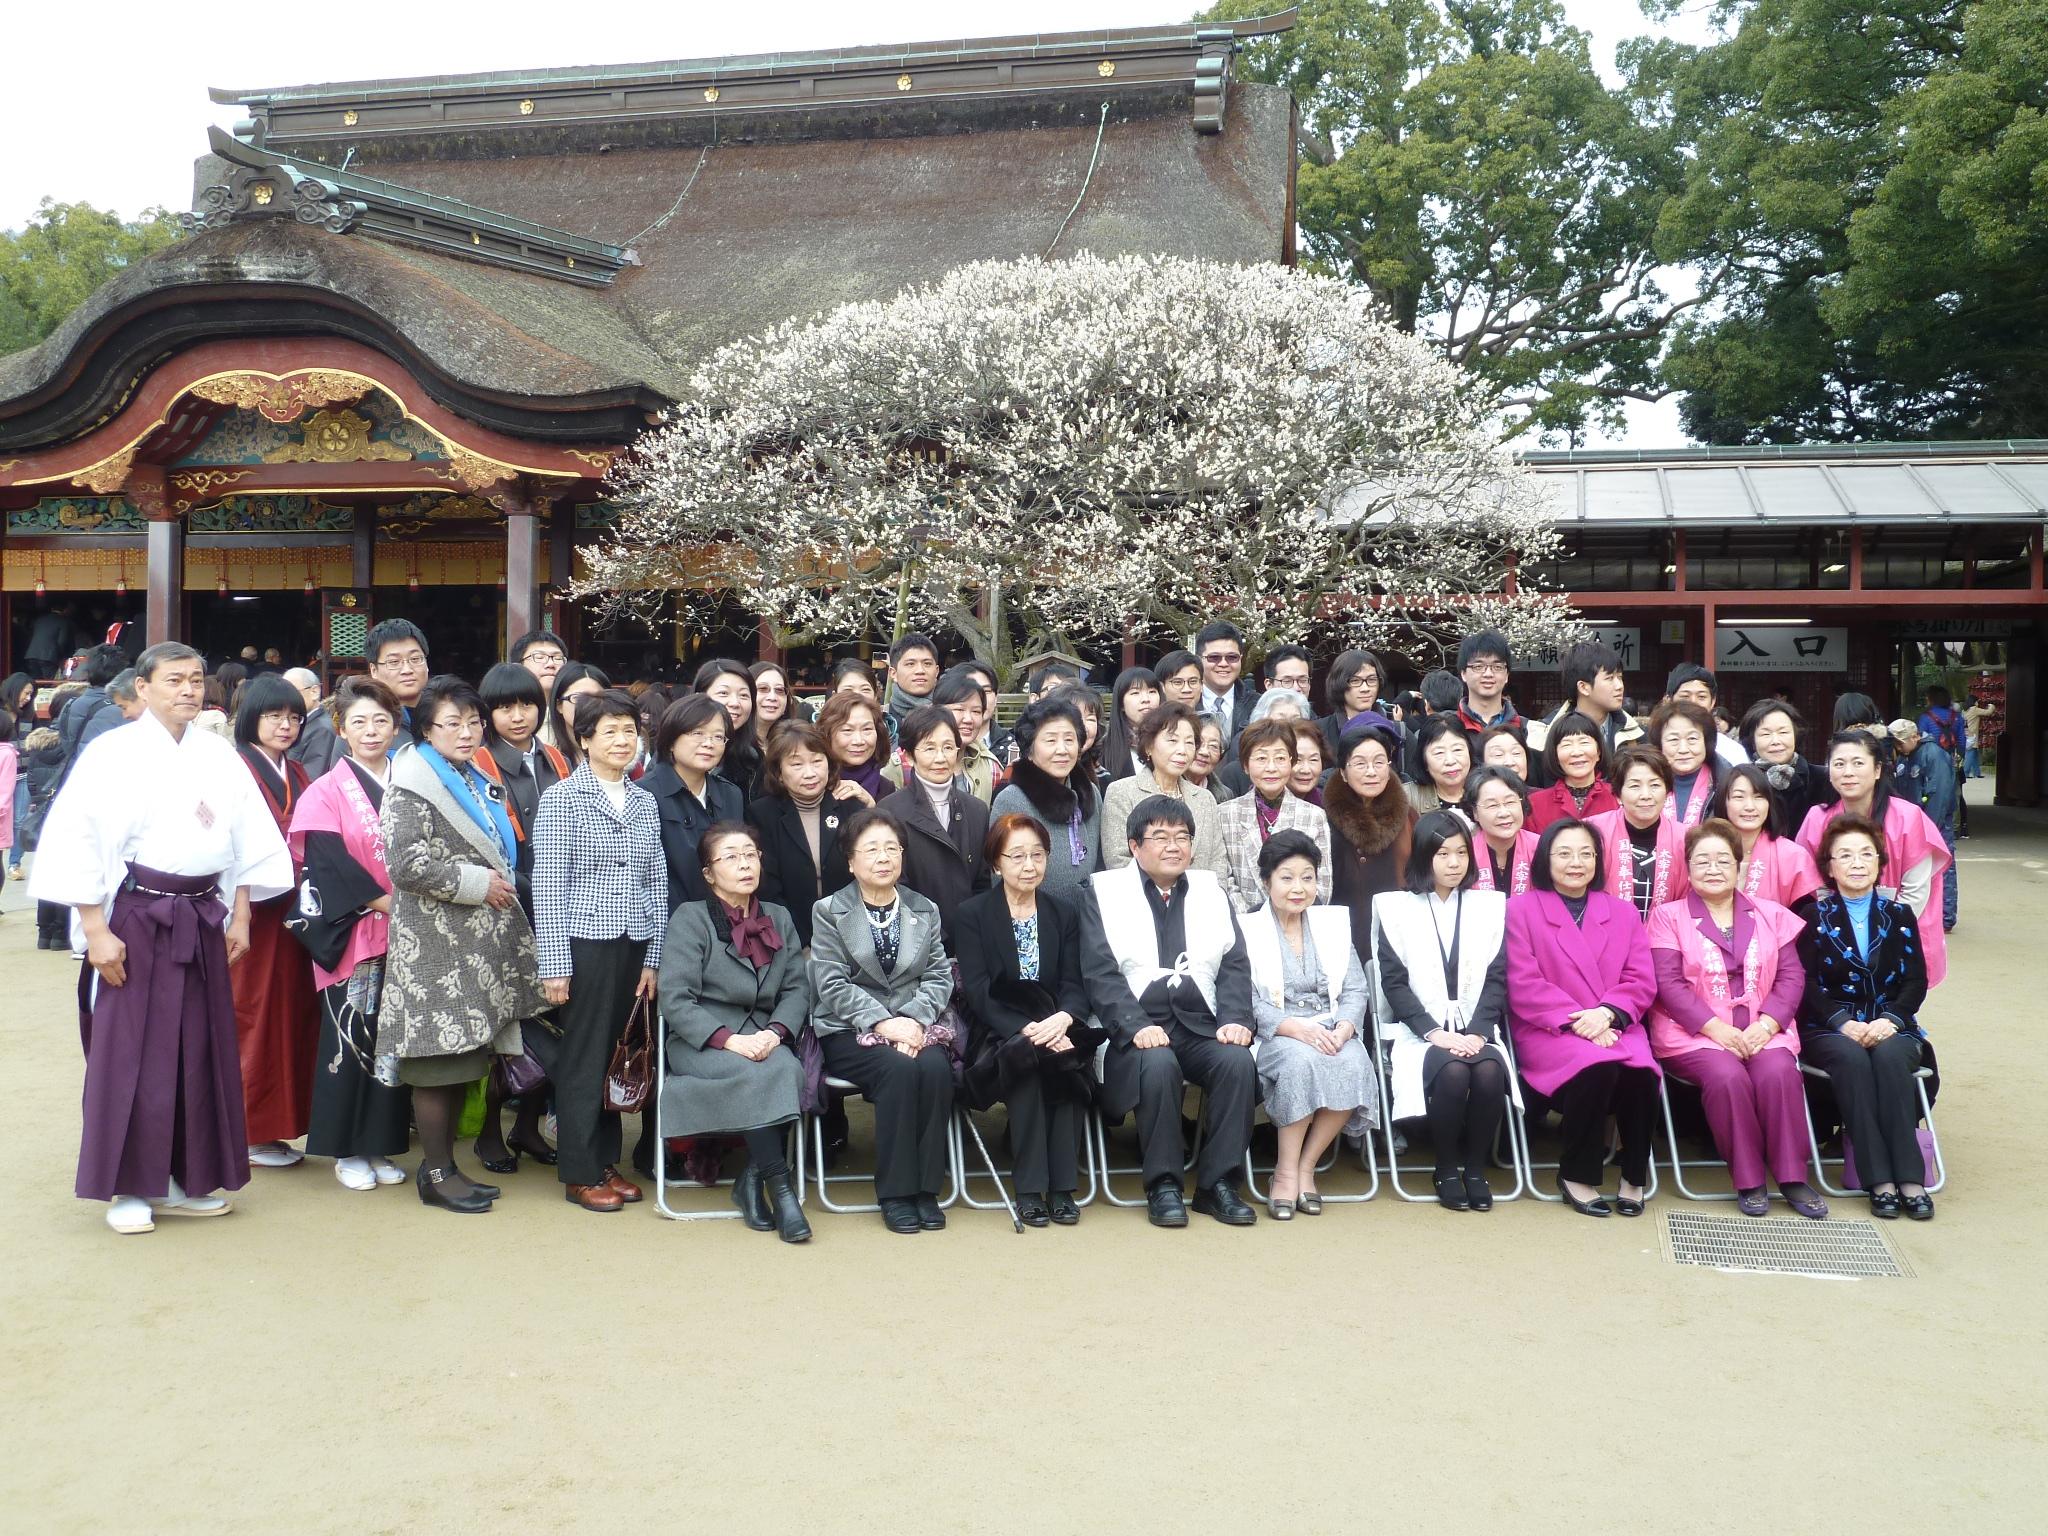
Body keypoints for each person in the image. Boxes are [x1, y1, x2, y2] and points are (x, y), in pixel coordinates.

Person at [31, 642, 294, 1234]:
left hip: (203, 914)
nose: (189, 690)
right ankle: (130, 1186)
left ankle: (185, 1177)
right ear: (142, 688)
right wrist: (95, 930)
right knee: (131, 1055)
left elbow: (248, 838)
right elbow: (78, 838)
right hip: (136, 917)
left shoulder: (218, 754)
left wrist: (243, 915)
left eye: (197, 679)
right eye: (174, 679)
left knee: (198, 1051)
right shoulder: (112, 753)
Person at [380, 675, 545, 1214]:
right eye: (453, 723)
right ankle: (434, 1172)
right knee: (436, 1061)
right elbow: (404, 863)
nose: (467, 731)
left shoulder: (464, 773)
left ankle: (447, 1170)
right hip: (434, 942)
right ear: (427, 728)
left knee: (462, 1060)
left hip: (470, 944)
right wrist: (478, 884)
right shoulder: (412, 779)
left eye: (473, 721)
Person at [1079, 795, 1260, 1228]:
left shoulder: (1210, 891)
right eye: (1159, 837)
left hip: (1199, 1022)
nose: (1173, 846)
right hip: (1133, 1026)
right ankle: (1163, 1184)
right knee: (1157, 1063)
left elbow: (1235, 963)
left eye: (1182, 837)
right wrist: (1136, 1025)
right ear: (1134, 846)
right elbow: (1099, 972)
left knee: (1236, 1062)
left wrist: (1236, 1019)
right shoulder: (1103, 890)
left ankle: (1218, 1185)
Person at [533, 689, 668, 1212]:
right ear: (583, 739)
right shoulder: (563, 798)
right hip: (584, 942)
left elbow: (657, 880)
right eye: (608, 731)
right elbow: (549, 885)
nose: (621, 740)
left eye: (629, 731)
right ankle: (579, 1170)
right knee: (584, 1057)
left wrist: (653, 956)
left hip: (634, 942)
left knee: (617, 1054)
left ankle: (606, 1160)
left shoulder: (642, 799)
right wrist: (556, 965)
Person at [1648, 819, 1825, 1218]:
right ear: (1687, 867)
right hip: (1693, 1033)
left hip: (1764, 1028)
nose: (1713, 868)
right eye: (1702, 861)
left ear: (1739, 866)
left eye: (1722, 860)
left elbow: (1792, 975)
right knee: (1726, 1075)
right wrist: (1716, 1029)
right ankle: (1749, 1179)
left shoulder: (1771, 913)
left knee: (1778, 1072)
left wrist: (1767, 1025)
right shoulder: (1667, 916)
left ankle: (1793, 1177)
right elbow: (1667, 982)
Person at [656, 821, 811, 1242]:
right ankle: (781, 1191)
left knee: (787, 1069)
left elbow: (798, 987)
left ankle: (752, 1181)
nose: (745, 864)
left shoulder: (778, 916)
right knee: (756, 1074)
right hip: (702, 1041)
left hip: (764, 1035)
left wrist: (776, 1032)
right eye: (731, 857)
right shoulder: (691, 918)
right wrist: (730, 1040)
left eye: (750, 854)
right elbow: (676, 999)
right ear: (709, 873)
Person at [287, 678, 413, 1192]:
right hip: (354, 930)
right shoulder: (326, 791)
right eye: (358, 721)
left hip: (407, 933)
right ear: (341, 728)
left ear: (396, 726)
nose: (370, 731)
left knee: (394, 1042)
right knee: (350, 1035)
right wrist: (387, 903)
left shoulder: (409, 782)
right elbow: (327, 862)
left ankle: (379, 1143)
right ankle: (345, 1149)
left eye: (380, 720)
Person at [808, 806, 959, 1234]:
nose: (883, 857)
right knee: (897, 1069)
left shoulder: (923, 908)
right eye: (871, 849)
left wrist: (911, 1020)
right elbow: (831, 983)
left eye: (891, 848)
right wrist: (881, 1023)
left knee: (933, 1068)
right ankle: (895, 1193)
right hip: (849, 1030)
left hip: (916, 1026)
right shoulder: (829, 910)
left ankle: (926, 1190)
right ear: (851, 860)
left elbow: (938, 975)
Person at [1505, 819, 1660, 1216]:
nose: (1576, 862)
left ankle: (1633, 1175)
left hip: (1615, 1024)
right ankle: (1576, 1173)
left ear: (1598, 859)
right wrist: (1580, 1022)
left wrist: (1607, 1014)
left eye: (1586, 853)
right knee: (1596, 1068)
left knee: (1642, 1072)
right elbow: (1523, 982)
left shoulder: (1623, 913)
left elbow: (1641, 978)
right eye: (1565, 853)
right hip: (1550, 1028)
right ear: (1545, 859)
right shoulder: (1519, 910)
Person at [956, 813, 1104, 1226]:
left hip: (1055, 1019)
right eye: (1017, 856)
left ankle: (1061, 1188)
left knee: (1069, 1061)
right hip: (1000, 1026)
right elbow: (979, 991)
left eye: (1037, 855)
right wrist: (1026, 1030)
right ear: (996, 862)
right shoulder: (973, 914)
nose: (1028, 866)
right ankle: (1029, 1189)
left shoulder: (1063, 913)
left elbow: (1076, 981)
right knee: (1027, 1062)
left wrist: (1062, 1020)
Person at [1797, 815, 1937, 1220]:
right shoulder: (1812, 917)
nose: (1856, 863)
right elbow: (1805, 984)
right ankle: (1879, 1180)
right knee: (1854, 1060)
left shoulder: (1900, 915)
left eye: (1865, 854)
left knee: (1893, 1058)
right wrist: (1843, 1022)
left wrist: (1891, 1019)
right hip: (1830, 1028)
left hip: (1889, 1023)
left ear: (1879, 862)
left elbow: (1916, 981)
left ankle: (1910, 1178)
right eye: (1845, 855)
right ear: (1829, 867)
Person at [1373, 812, 1511, 1210]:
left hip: (1475, 1028)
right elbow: (1393, 982)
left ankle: (1475, 1168)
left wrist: (1479, 1031)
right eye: (1443, 853)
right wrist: (1435, 1032)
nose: (1454, 862)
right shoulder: (1397, 909)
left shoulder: (1488, 907)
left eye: (1462, 853)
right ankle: (1446, 1167)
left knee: (1487, 1071)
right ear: (1423, 856)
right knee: (1451, 1072)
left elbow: (1497, 978)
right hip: (1422, 1032)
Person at [1243, 829, 1378, 1218]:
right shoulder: (1247, 930)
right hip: (1277, 1033)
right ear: (1266, 881)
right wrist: (1293, 1028)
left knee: (1353, 1061)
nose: (1298, 888)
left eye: (1307, 877)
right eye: (1287, 877)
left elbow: (1355, 987)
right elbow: (1245, 1000)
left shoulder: (1332, 926)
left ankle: (1306, 1167)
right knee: (1301, 1064)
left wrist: (1345, 1028)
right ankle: (1284, 1173)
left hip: (1332, 1026)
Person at [227, 674, 320, 1169]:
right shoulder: (232, 768)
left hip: (294, 915)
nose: (286, 726)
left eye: (293, 717)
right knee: (251, 1013)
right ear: (251, 719)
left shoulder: (299, 772)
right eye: (274, 716)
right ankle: (247, 1127)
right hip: (249, 914)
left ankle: (276, 1126)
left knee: (289, 1017)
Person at [1795, 730, 1951, 985]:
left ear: (1878, 770)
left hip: (1900, 931)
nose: (1847, 772)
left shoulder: (1908, 818)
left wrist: (1882, 934)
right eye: (1839, 764)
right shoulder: (1816, 818)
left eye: (1858, 763)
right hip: (1837, 933)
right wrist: (1843, 929)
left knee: (1893, 1013)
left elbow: (1916, 892)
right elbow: (1816, 885)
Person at [889, 705, 991, 951]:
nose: (940, 757)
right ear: (910, 755)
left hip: (968, 941)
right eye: (929, 748)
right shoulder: (890, 811)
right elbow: (895, 887)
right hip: (915, 944)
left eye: (948, 747)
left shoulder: (976, 810)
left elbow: (982, 882)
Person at [748, 720, 854, 949]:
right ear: (778, 772)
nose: (810, 773)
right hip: (790, 940)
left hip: (851, 936)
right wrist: (800, 941)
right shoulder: (762, 814)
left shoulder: (850, 807)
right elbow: (767, 889)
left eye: (817, 761)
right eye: (796, 765)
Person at [1215, 717, 1333, 912]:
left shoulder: (1314, 816)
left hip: (1299, 923)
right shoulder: (1225, 814)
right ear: (1245, 765)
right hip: (1246, 925)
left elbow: (1322, 883)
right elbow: (1224, 880)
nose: (1271, 767)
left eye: (1280, 758)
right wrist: (1254, 919)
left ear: (1291, 761)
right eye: (1261, 758)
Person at [1323, 723, 1415, 972]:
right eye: (1360, 764)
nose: (1371, 772)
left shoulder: (1409, 818)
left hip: (1397, 938)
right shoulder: (1322, 820)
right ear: (1343, 771)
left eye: (1379, 762)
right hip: (1340, 939)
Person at [1100, 703, 1228, 880]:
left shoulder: (1205, 799)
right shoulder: (1121, 793)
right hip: (1143, 901)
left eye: (1190, 742)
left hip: (1199, 902)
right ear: (1149, 746)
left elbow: (1218, 861)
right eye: (1172, 740)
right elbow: (1119, 860)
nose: (1182, 750)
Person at [989, 695, 1101, 896]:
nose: (1062, 750)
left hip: (1089, 918)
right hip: (1039, 918)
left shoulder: (1089, 792)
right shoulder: (1012, 800)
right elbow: (1001, 876)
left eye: (1069, 739)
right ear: (1029, 750)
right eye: (1050, 740)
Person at [644, 694, 743, 911]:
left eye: (719, 737)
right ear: (671, 740)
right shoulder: (645, 794)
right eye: (697, 733)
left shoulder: (730, 794)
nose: (709, 744)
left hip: (727, 919)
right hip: (668, 922)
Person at [1588, 745, 1691, 921]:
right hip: (1602, 936)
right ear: (1618, 794)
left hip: (1665, 940)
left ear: (1668, 792)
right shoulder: (1592, 832)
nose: (1646, 795)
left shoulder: (1686, 838)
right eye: (1635, 786)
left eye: (1655, 785)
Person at [1712, 764, 1823, 908]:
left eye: (1759, 797)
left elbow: (1804, 916)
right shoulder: (1706, 852)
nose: (1750, 806)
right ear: (1723, 802)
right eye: (1739, 797)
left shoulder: (1793, 855)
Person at [1889, 718, 1958, 933]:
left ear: (1915, 737)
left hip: (1933, 822)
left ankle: (1945, 916)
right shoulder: (1903, 757)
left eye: (1901, 741)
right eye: (1895, 743)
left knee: (1942, 868)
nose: (1898, 746)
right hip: (1911, 822)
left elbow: (1939, 793)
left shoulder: (1933, 755)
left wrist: (1931, 827)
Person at [1529, 639, 1641, 758]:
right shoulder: (1544, 737)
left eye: (1620, 677)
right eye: (1609, 678)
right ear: (1583, 687)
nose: (1620, 686)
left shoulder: (1636, 735)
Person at [1739, 697, 1832, 830]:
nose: (1776, 741)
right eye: (1766, 734)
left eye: (1783, 732)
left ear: (1796, 735)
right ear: (1752, 741)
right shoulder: (1742, 781)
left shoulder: (1823, 779)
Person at [1527, 711, 1618, 830]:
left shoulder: (1618, 797)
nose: (1577, 752)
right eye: (1566, 745)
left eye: (1584, 742)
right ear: (1555, 755)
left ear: (1598, 752)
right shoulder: (1535, 803)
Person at [1466, 765, 1539, 895]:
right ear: (1475, 812)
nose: (1503, 813)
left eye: (1510, 802)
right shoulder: (1465, 853)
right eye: (1492, 805)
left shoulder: (1541, 847)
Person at [815, 688, 894, 805]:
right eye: (847, 730)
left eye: (867, 729)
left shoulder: (886, 788)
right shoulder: (812, 782)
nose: (859, 741)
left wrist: (872, 807)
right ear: (826, 734)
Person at [930, 668, 997, 804]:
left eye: (976, 711)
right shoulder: (904, 763)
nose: (968, 719)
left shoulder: (990, 766)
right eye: (959, 709)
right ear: (936, 709)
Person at [1649, 699, 1720, 827]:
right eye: (1673, 739)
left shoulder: (1723, 782)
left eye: (1692, 738)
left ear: (1706, 741)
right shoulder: (1646, 783)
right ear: (1659, 744)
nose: (1683, 749)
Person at [695, 658, 762, 795]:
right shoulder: (678, 750)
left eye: (743, 695)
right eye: (724, 693)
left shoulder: (752, 758)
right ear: (699, 696)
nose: (735, 703)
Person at [1318, 647, 1397, 762]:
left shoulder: (1397, 730)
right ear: (1339, 684)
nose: (1365, 688)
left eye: (1371, 680)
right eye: (1355, 681)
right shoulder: (1320, 732)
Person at [1664, 663, 1749, 768]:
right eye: (1685, 696)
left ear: (1713, 702)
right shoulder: (1654, 747)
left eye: (1701, 697)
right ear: (1668, 700)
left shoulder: (1731, 751)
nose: (1693, 702)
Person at [364, 619, 431, 743]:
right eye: (394, 662)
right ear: (374, 670)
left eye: (415, 659)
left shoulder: (446, 718)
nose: (407, 670)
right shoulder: (360, 727)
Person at [1194, 621, 1258, 743]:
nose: (1223, 664)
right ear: (1198, 659)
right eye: (1214, 657)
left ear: (1241, 658)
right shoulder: (1185, 703)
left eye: (1232, 657)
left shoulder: (1257, 705)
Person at [1102, 666, 1163, 782]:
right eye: (1135, 693)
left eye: (1152, 692)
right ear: (1121, 704)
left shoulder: (1171, 743)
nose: (1146, 699)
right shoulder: (1103, 750)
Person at [1455, 630, 1524, 733]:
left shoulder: (1526, 729)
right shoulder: (1450, 728)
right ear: (1463, 673)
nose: (1488, 674)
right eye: (1478, 666)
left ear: (1507, 675)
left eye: (1497, 667)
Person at [546, 662, 611, 770]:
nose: (589, 704)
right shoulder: (544, 760)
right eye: (578, 698)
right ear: (559, 705)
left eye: (597, 697)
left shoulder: (624, 754)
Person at [1407, 714, 1475, 816]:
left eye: (1457, 750)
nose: (1450, 761)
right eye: (1439, 753)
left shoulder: (1488, 792)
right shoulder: (1406, 798)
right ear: (1424, 760)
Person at [882, 632, 942, 744]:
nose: (920, 670)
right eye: (910, 664)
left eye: (927, 664)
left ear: (937, 671)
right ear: (893, 673)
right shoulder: (880, 720)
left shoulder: (951, 715)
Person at [748, 660, 793, 736]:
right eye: (763, 688)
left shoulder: (794, 743)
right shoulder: (727, 743)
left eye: (779, 690)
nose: (772, 697)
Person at [1154, 648, 1204, 712]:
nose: (1187, 689)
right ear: (1162, 686)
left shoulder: (1212, 720)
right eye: (1178, 682)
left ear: (1202, 685)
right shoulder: (1152, 721)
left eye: (1193, 681)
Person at [1961, 692, 1994, 781]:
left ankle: (1977, 773)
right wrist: (1991, 705)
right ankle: (1965, 772)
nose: (1978, 703)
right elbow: (1988, 712)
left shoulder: (1964, 710)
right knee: (1970, 753)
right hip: (1972, 734)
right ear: (1974, 702)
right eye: (1977, 701)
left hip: (1966, 733)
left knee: (1974, 753)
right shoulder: (1974, 709)